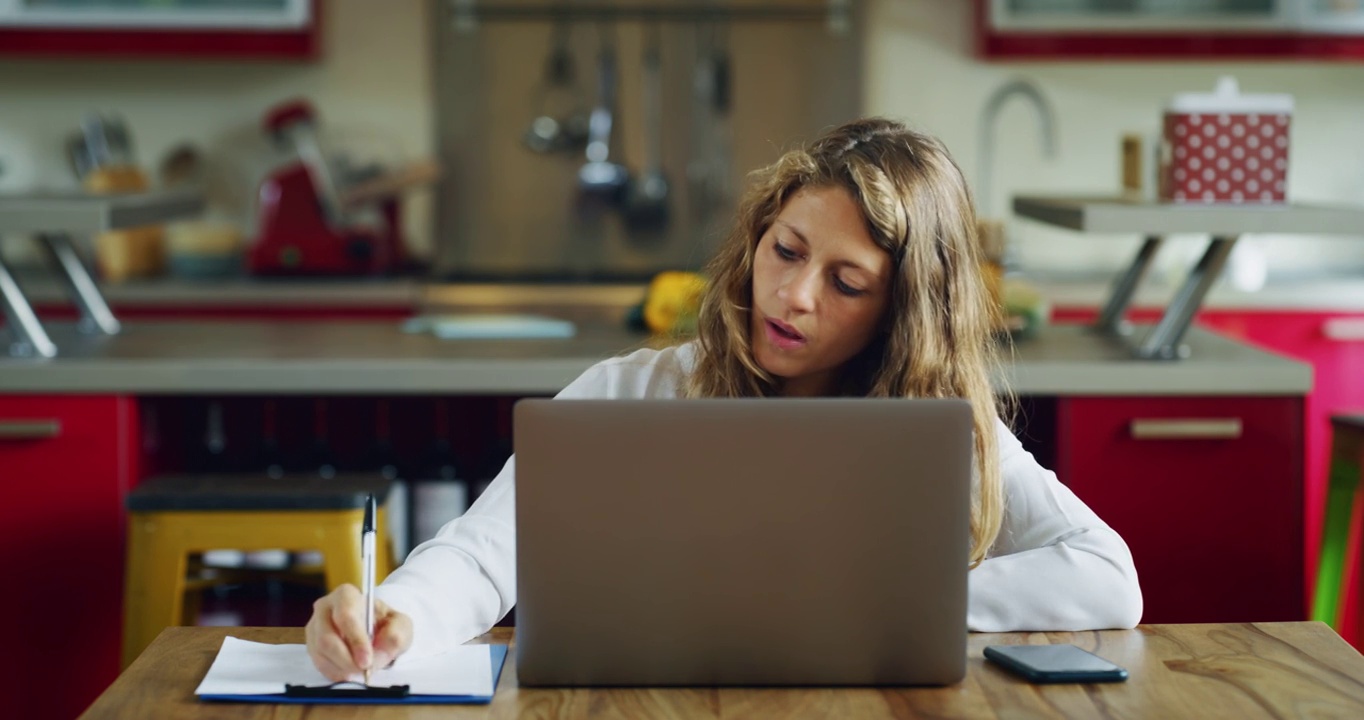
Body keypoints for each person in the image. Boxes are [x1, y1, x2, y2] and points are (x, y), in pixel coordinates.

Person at [304, 117, 1143, 681]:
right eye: (786, 251)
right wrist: (396, 616)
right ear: (758, 237)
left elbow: (1108, 578)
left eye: (846, 283)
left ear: (902, 315)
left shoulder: (941, 424)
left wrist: (892, 603)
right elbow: (484, 557)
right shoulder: (629, 392)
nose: (795, 295)